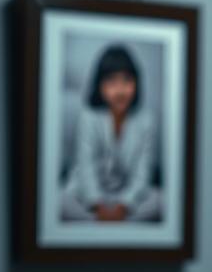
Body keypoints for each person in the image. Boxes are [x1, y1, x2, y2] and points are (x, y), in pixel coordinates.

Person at [59, 44, 165, 223]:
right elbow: (86, 168)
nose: (120, 90)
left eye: (127, 81)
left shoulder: (146, 119)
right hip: (86, 196)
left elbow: (142, 173)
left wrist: (124, 205)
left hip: (127, 197)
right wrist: (98, 205)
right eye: (111, 81)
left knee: (163, 201)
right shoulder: (89, 116)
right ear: (99, 85)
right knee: (58, 201)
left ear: (136, 83)